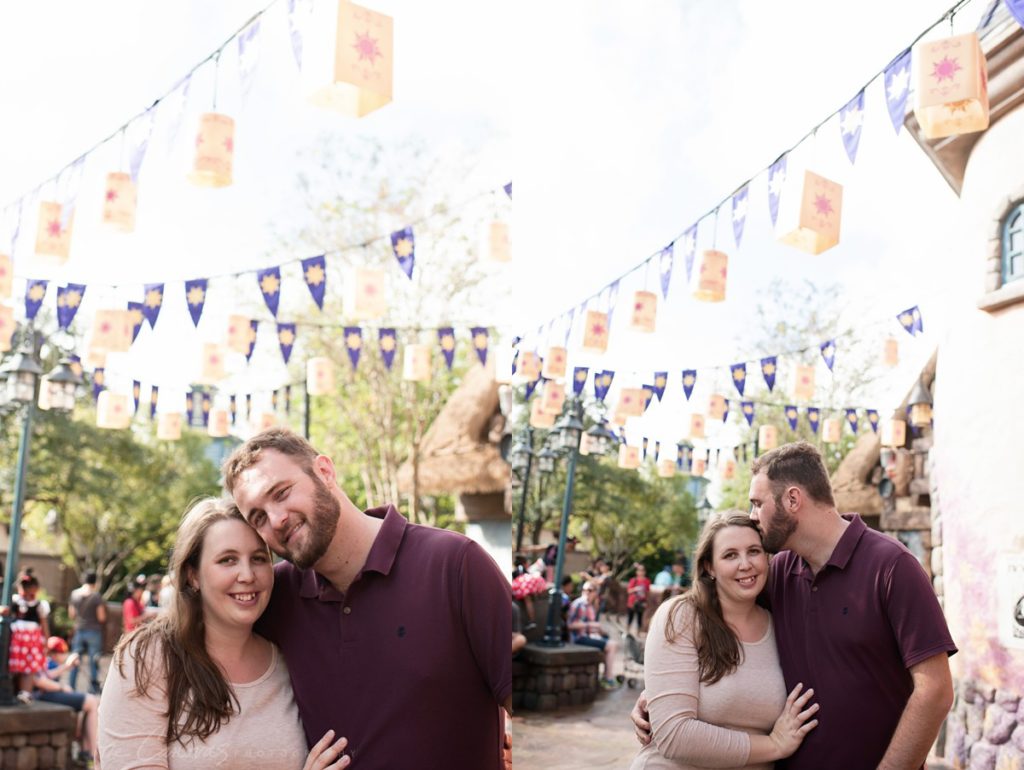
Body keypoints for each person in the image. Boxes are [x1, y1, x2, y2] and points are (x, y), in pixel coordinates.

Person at [633, 441, 957, 769]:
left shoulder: (892, 565)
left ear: (792, 499)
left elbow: (935, 691)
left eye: (757, 503)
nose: (752, 516)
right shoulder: (780, 573)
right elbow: (720, 614)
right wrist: (660, 697)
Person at [222, 428, 512, 769]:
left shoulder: (454, 564)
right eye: (258, 517)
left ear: (325, 472)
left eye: (282, 493)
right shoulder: (275, 595)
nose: (277, 519)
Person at [98, 497, 349, 769]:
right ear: (193, 575)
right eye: (227, 560)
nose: (247, 574)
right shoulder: (149, 658)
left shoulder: (288, 659)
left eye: (258, 558)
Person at [630, 511, 818, 769]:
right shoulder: (682, 616)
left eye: (754, 551)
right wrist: (775, 745)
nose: (745, 564)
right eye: (730, 555)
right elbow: (674, 735)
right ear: (709, 567)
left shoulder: (781, 624)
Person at [31, 636, 99, 764]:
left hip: (43, 693)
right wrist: (62, 687)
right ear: (53, 653)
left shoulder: (43, 657)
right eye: (61, 652)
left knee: (88, 703)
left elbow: (46, 675)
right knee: (91, 701)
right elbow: (40, 681)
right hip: (41, 695)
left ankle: (86, 750)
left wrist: (66, 666)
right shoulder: (47, 660)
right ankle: (92, 752)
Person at [566, 581, 619, 689]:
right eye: (584, 590)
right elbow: (570, 625)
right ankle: (608, 678)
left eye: (590, 590)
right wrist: (590, 624)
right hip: (578, 638)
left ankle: (605, 675)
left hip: (587, 636)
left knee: (609, 642)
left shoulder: (590, 605)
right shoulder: (578, 604)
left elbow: (592, 626)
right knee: (611, 645)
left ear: (595, 593)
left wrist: (598, 631)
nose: (586, 592)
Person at [8, 570, 50, 702]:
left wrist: (46, 640)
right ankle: (14, 691)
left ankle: (25, 693)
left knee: (29, 668)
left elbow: (43, 623)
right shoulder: (15, 602)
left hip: (31, 640)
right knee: (17, 666)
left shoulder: (39, 605)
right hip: (17, 640)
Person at [68, 570, 107, 695]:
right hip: (94, 631)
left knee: (75, 658)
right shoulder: (96, 597)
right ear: (95, 582)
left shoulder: (74, 594)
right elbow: (101, 617)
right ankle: (93, 687)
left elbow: (72, 614)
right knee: (93, 660)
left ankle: (71, 686)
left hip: (79, 630)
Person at [626, 564, 652, 634]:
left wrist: (646, 602)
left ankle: (638, 633)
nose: (641, 572)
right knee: (630, 618)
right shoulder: (633, 580)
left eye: (642, 570)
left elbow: (647, 593)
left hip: (641, 602)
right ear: (637, 572)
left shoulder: (647, 581)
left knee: (639, 619)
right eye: (639, 570)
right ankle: (627, 632)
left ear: (645, 572)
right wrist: (635, 589)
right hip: (632, 602)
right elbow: (628, 591)